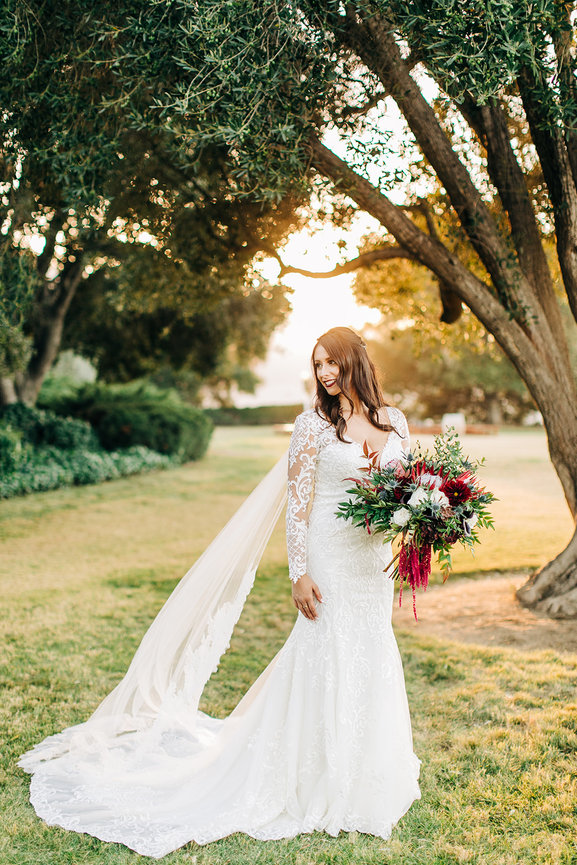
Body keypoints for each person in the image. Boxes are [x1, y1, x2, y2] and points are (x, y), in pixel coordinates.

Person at [18, 326, 421, 858]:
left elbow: (409, 487)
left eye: (332, 362)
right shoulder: (312, 428)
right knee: (327, 649)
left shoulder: (395, 422)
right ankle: (313, 777)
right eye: (317, 363)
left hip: (372, 560)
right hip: (327, 555)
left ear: (355, 363)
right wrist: (298, 571)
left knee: (370, 647)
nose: (324, 373)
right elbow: (297, 506)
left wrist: (421, 522)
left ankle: (365, 768)